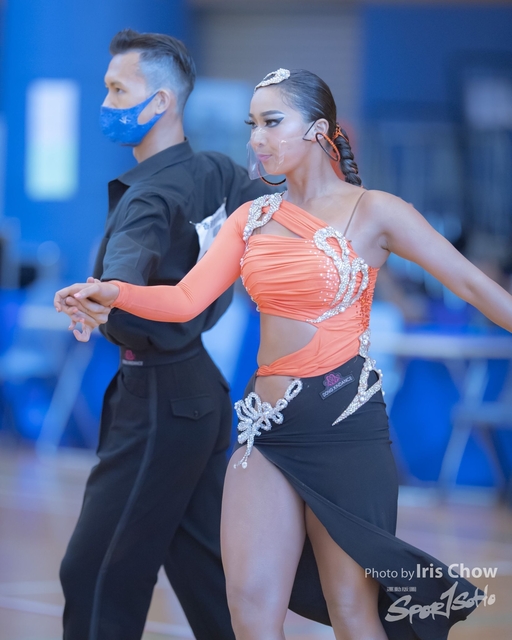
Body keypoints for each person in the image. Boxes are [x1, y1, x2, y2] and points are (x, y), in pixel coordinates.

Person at [56, 68, 512, 640]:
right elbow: (185, 298)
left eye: (272, 122)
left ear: (319, 130)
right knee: (249, 607)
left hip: (343, 425)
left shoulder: (376, 211)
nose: (257, 138)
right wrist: (114, 292)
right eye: (252, 124)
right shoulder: (252, 218)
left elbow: (470, 284)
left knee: (352, 610)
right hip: (265, 429)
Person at [56, 29, 272, 640]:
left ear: (161, 102)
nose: (106, 102)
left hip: (158, 401)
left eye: (118, 89)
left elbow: (126, 271)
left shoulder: (149, 196)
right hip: (199, 394)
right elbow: (280, 218)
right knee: (206, 571)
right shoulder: (220, 172)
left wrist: (102, 296)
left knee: (95, 573)